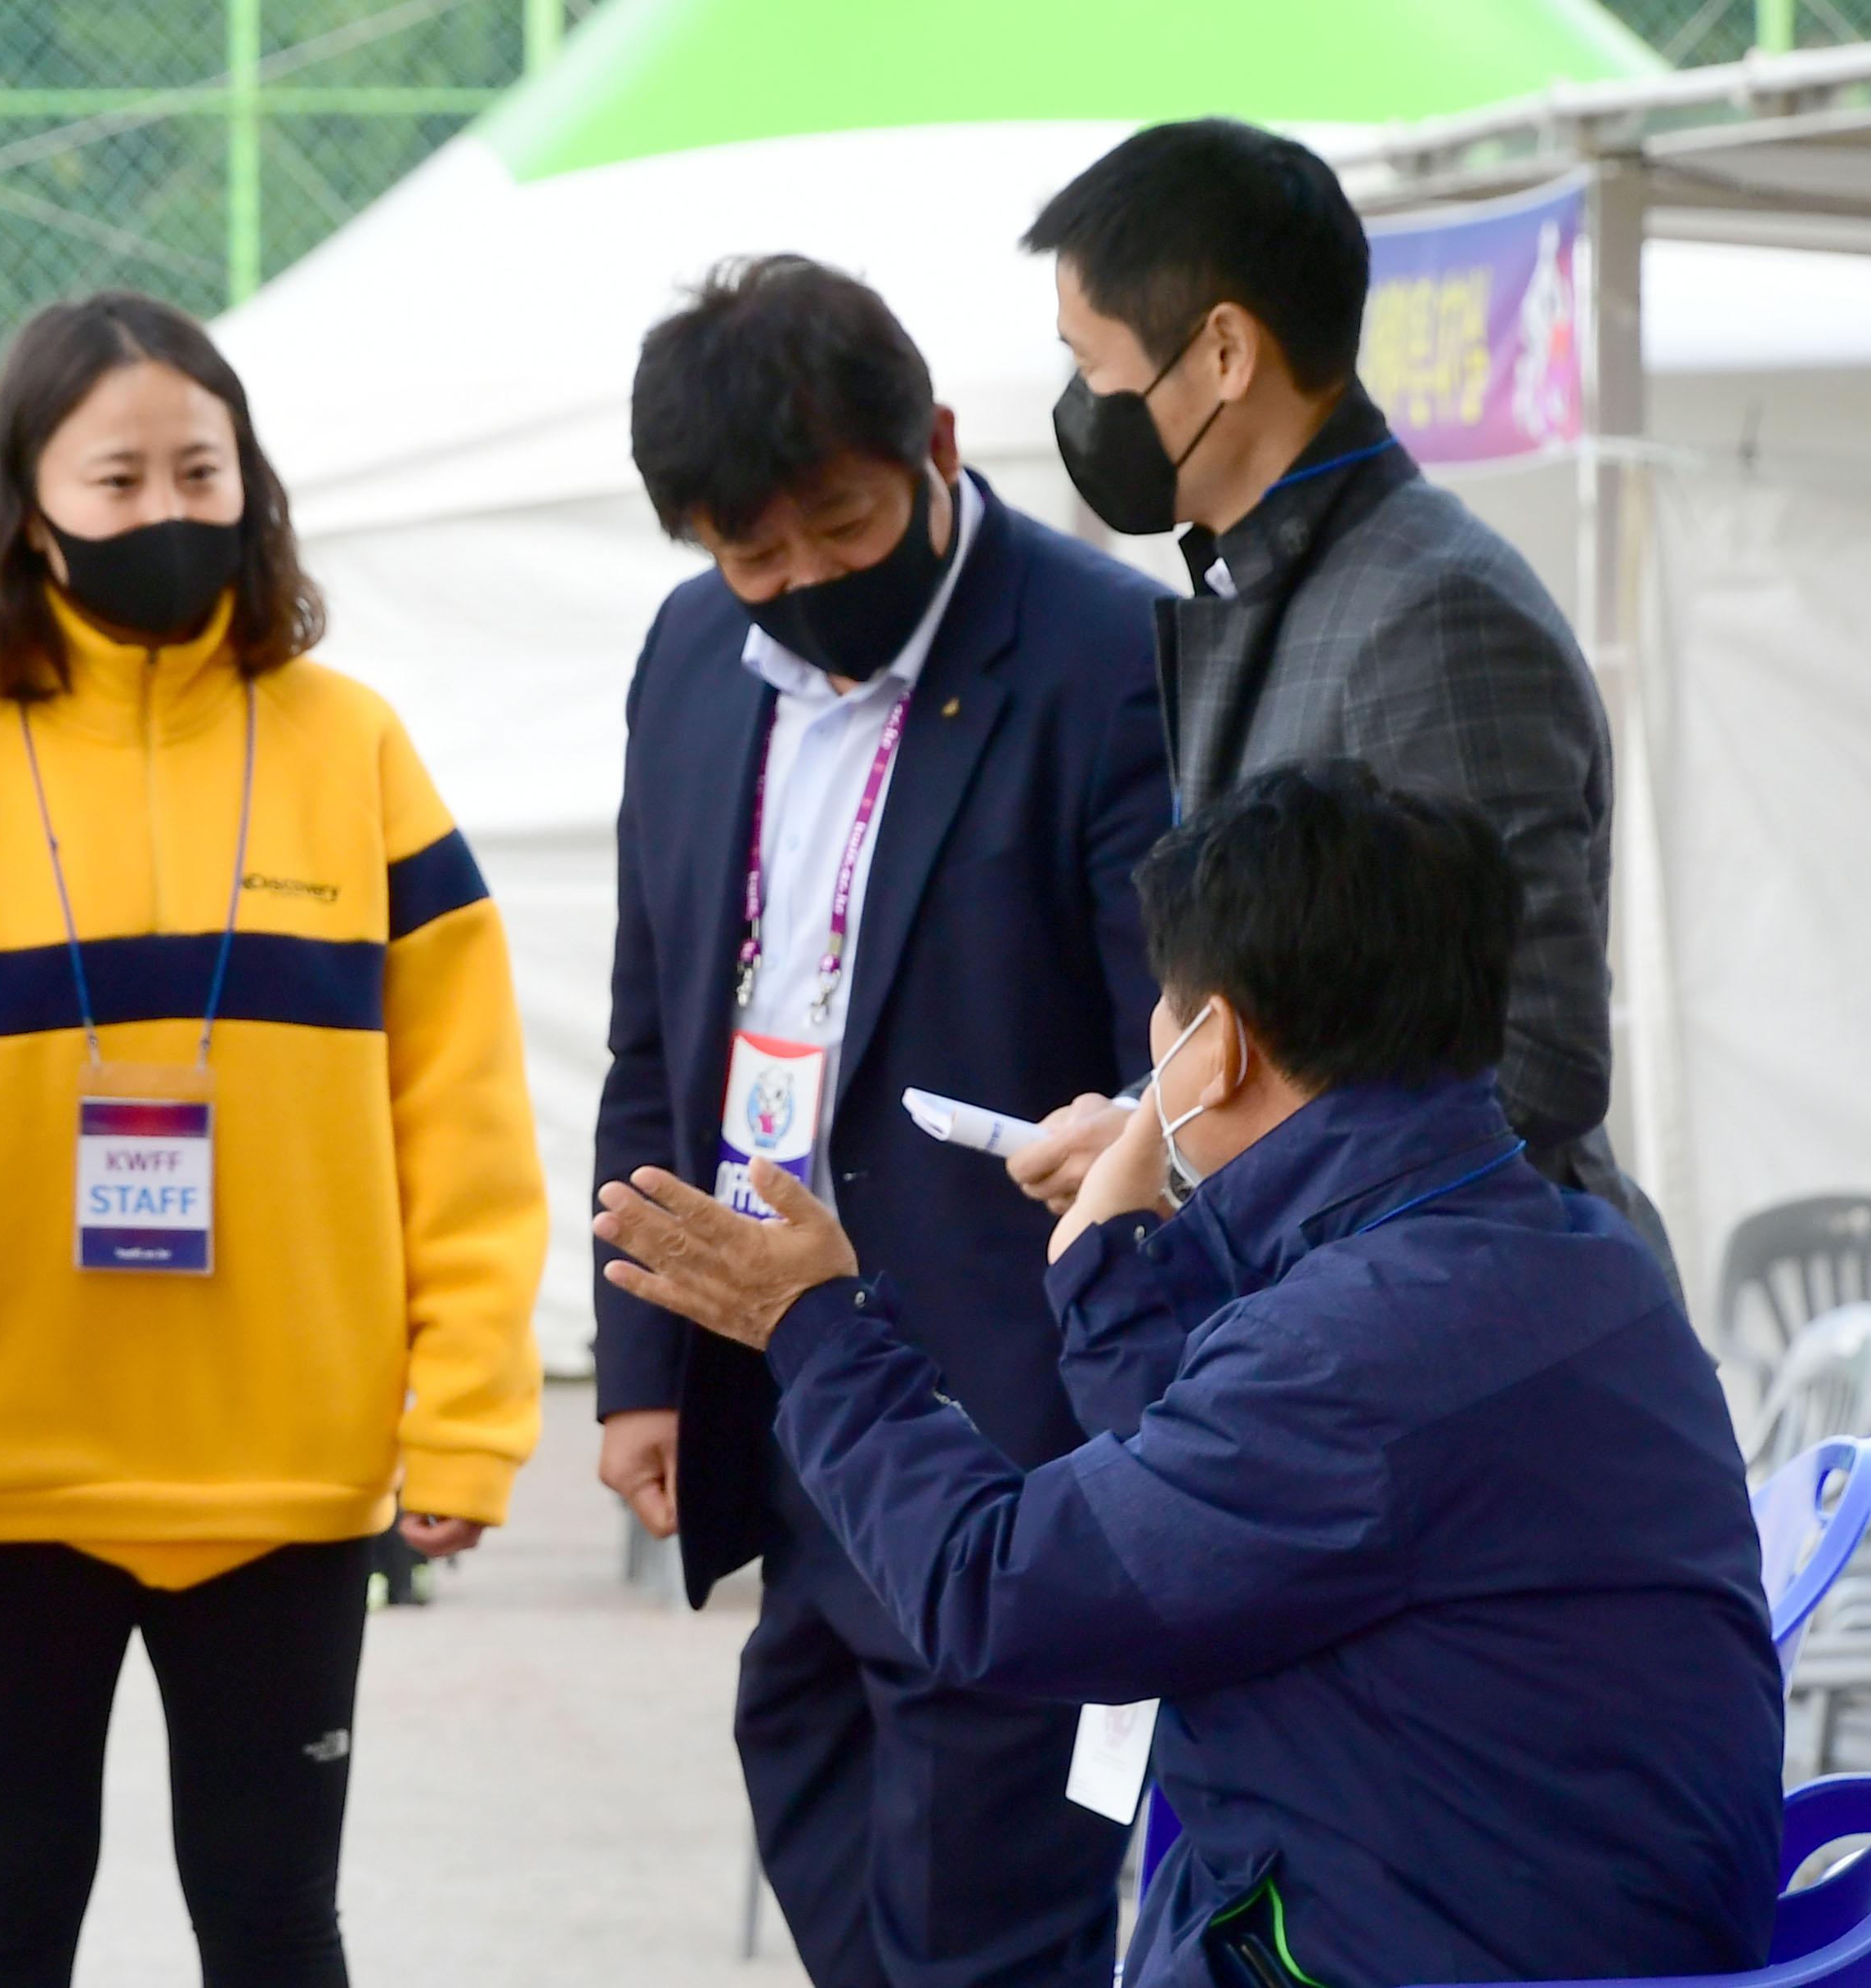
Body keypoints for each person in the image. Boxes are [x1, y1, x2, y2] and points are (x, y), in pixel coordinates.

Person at [596, 760, 1782, 1988]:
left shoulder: (1358, 1346)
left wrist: (810, 1327)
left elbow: (1000, 1597)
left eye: (1167, 1008)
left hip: (1441, 1941)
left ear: (1214, 1046)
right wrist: (1126, 1254)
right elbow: (1205, 1520)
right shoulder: (1566, 1251)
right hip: (1565, 1903)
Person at [0, 291, 547, 1988]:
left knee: (279, 1927)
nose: (165, 513)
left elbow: (466, 1117)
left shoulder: (353, 746)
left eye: (198, 470)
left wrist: (471, 1417)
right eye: (117, 477)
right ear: (23, 497)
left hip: (287, 1472)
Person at [593, 255, 1174, 1988]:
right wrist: (642, 1359)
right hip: (777, 1386)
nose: (798, 585)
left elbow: (1178, 1046)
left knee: (985, 1926)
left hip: (1010, 1421)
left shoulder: (1103, 653)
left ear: (928, 444)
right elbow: (654, 1020)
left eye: (839, 532)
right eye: (750, 553)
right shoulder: (698, 653)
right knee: (823, 1820)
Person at [1002, 119, 1664, 1265]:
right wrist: (1154, 1127)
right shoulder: (1285, 583)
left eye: (1094, 363)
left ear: (1223, 353)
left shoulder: (1436, 619)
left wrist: (1181, 1153)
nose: (1081, 402)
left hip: (1461, 1358)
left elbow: (1532, 1067)